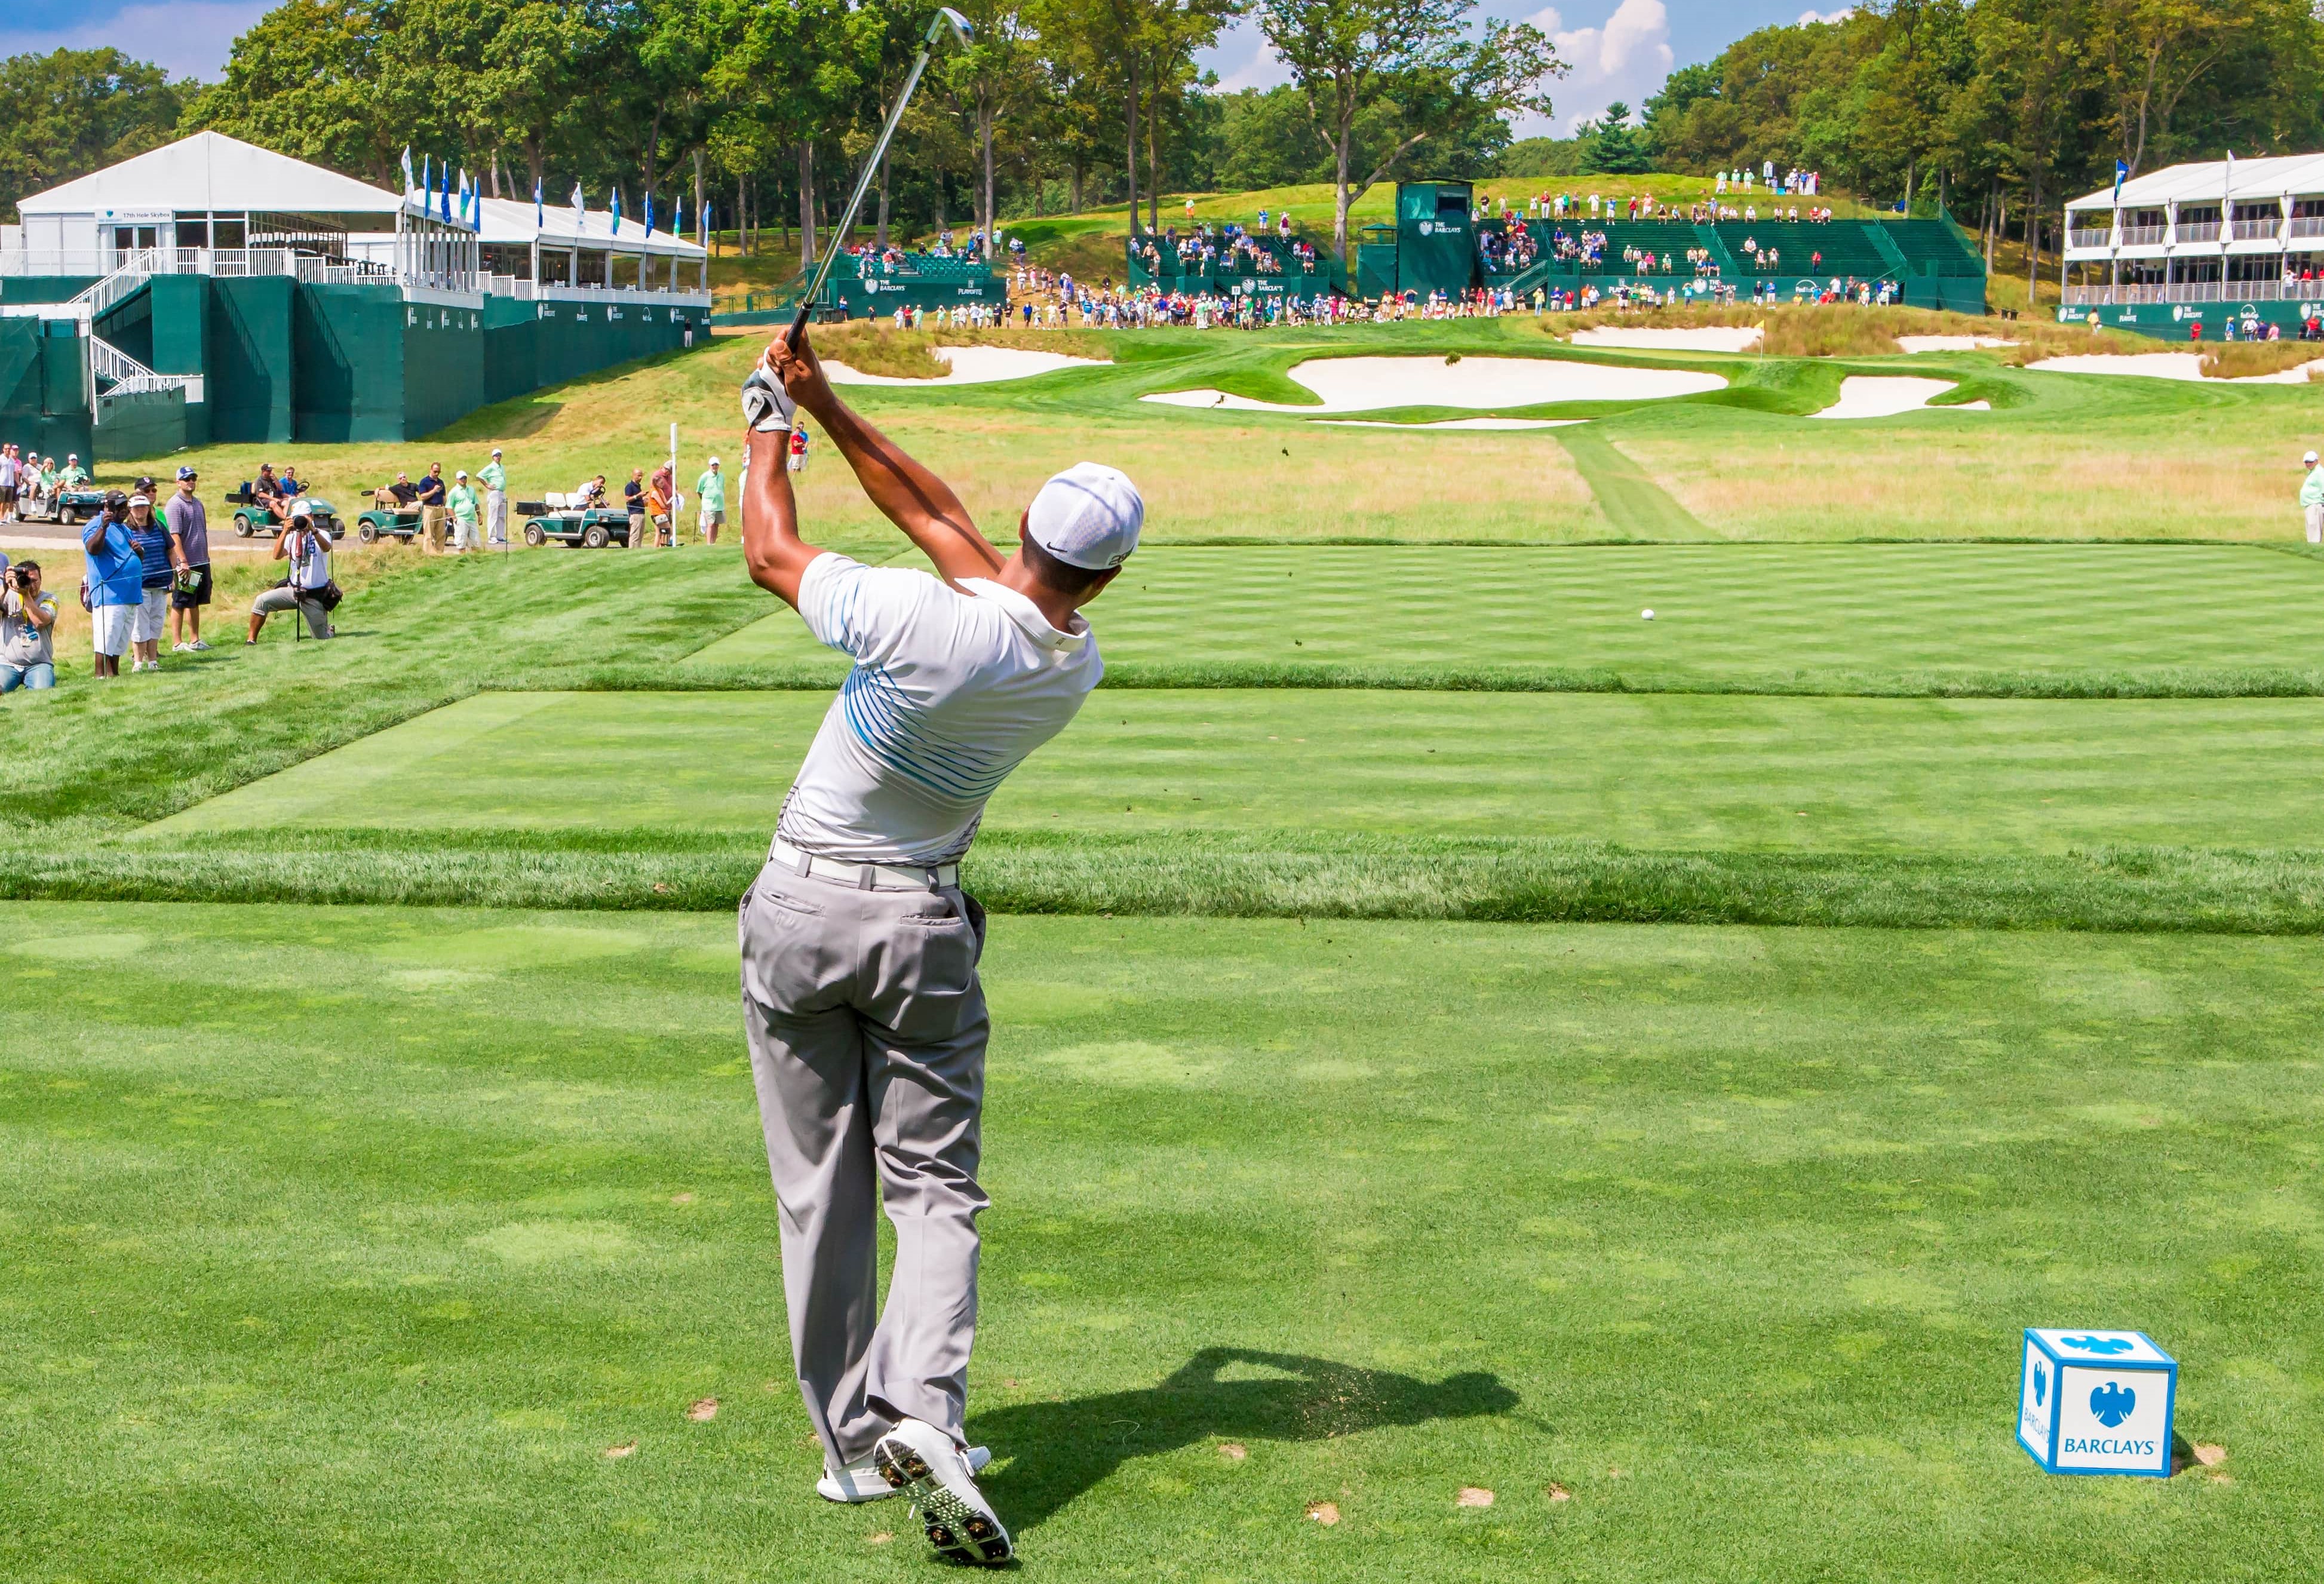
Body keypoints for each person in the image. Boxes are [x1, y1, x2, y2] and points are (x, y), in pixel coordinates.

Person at [733, 333, 1142, 1569]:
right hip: (921, 926)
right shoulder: (1070, 663)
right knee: (937, 1192)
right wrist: (831, 405)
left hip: (800, 906)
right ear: (1106, 577)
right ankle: (928, 1417)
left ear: (1023, 528)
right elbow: (939, 523)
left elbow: (767, 549)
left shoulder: (919, 613)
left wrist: (768, 422)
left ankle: (855, 1451)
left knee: (823, 1190)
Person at [247, 501, 335, 642]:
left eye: (303, 518)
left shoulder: (322, 533)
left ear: (311, 517)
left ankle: (329, 630)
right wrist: (284, 531)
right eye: (296, 519)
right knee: (261, 601)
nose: (300, 522)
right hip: (293, 591)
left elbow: (326, 548)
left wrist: (312, 529)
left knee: (321, 638)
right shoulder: (292, 536)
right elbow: (276, 555)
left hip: (314, 595)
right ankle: (251, 640)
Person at [82, 492, 142, 679]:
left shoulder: (123, 528)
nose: (124, 511)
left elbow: (131, 558)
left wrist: (139, 553)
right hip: (110, 594)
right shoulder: (95, 525)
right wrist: (103, 527)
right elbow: (93, 549)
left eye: (125, 507)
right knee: (106, 640)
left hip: (130, 595)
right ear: (108, 507)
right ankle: (101, 675)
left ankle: (113, 674)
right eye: (119, 507)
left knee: (119, 641)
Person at [166, 465, 214, 652]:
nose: (191, 482)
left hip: (202, 561)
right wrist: (183, 561)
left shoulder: (198, 503)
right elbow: (174, 536)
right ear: (178, 482)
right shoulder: (175, 505)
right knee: (181, 602)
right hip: (186, 564)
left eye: (193, 478)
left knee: (195, 602)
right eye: (187, 479)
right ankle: (177, 642)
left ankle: (195, 639)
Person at [126, 492, 173, 671]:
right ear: (130, 510)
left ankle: (153, 661)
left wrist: (172, 574)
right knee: (139, 624)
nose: (140, 510)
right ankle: (138, 662)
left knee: (156, 622)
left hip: (161, 582)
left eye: (144, 507)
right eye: (137, 507)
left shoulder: (158, 526)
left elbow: (170, 550)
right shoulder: (127, 530)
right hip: (140, 585)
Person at [1, 557, 57, 692]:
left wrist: (26, 595)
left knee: (42, 694)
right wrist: (4, 586)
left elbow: (40, 622)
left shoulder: (50, 599)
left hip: (39, 664)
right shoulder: (8, 596)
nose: (31, 585)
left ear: (41, 581)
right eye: (27, 580)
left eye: (34, 581)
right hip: (7, 663)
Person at [481, 446, 509, 549]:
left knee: (501, 515)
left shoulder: (501, 467)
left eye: (500, 455)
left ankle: (500, 536)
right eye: (496, 456)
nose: (498, 457)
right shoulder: (491, 467)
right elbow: (480, 475)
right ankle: (491, 536)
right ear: (493, 457)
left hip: (501, 492)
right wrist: (487, 485)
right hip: (494, 492)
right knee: (493, 515)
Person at [447, 469, 482, 552]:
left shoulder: (471, 489)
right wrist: (455, 519)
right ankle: (463, 559)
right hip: (461, 520)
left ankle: (476, 560)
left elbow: (476, 503)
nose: (463, 480)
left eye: (465, 478)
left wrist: (479, 515)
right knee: (461, 543)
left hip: (472, 519)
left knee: (476, 543)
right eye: (461, 478)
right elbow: (449, 507)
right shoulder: (454, 491)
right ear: (457, 480)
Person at [416, 463, 448, 552]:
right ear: (431, 470)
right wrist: (434, 491)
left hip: (440, 508)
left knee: (441, 533)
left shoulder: (441, 482)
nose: (437, 474)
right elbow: (423, 496)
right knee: (429, 533)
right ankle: (428, 553)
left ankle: (439, 552)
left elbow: (443, 496)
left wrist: (445, 509)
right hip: (429, 508)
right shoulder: (424, 482)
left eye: (439, 472)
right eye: (435, 472)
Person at [695, 455, 726, 544]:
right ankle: (709, 543)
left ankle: (713, 543)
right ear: (710, 465)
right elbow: (699, 491)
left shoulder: (721, 476)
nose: (715, 467)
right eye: (713, 465)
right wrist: (704, 500)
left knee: (716, 525)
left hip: (719, 505)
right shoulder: (705, 477)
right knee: (711, 524)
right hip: (709, 505)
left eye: (716, 465)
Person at [2301, 450, 2324, 545]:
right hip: (2311, 506)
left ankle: (2314, 550)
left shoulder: (2319, 472)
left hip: (2315, 506)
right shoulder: (2313, 472)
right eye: (2306, 462)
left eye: (2310, 461)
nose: (2308, 464)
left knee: (2314, 535)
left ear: (2316, 461)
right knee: (2311, 532)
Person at [624, 468, 647, 547]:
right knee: (635, 535)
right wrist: (638, 496)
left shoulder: (638, 486)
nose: (641, 478)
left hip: (641, 512)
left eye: (642, 476)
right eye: (639, 476)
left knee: (640, 535)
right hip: (635, 513)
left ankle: (638, 550)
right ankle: (632, 550)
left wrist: (643, 500)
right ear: (634, 475)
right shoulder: (630, 486)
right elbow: (627, 499)